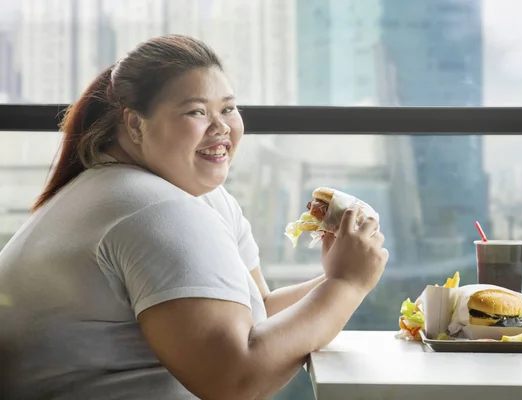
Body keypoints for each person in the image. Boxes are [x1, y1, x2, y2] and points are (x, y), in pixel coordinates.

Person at [0, 35, 388, 399]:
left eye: (229, 109)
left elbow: (255, 312)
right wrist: (347, 284)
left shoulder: (182, 194)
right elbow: (235, 380)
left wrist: (344, 272)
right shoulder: (152, 209)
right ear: (135, 123)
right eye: (196, 111)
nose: (221, 128)